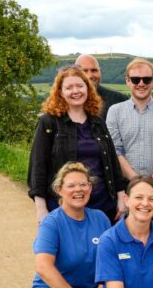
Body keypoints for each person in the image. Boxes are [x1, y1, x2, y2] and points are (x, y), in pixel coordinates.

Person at [31, 162, 111, 288]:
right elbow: (43, 266)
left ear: (90, 188)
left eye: (83, 185)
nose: (78, 190)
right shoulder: (52, 222)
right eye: (71, 185)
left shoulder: (100, 218)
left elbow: (111, 259)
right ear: (60, 190)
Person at [28, 65, 127, 224]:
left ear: (88, 89)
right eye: (69, 87)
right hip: (63, 206)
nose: (76, 91)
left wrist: (121, 196)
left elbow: (112, 162)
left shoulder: (98, 122)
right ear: (60, 92)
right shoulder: (48, 123)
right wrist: (41, 208)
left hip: (102, 205)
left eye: (80, 86)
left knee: (103, 248)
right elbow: (38, 167)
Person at [107, 58, 153, 227]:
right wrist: (136, 181)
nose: (141, 84)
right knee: (124, 238)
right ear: (128, 81)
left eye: (147, 79)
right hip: (124, 187)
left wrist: (151, 183)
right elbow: (116, 150)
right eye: (136, 79)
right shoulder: (115, 112)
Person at [75, 54, 128, 123]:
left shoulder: (118, 100)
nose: (90, 75)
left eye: (94, 70)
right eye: (84, 71)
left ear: (100, 72)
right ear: (75, 74)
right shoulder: (64, 102)